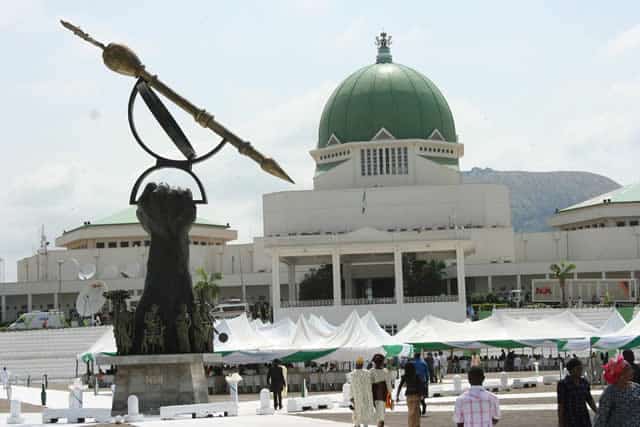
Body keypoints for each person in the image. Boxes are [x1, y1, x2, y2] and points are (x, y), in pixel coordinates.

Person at [594, 355, 640, 426]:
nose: (632, 371)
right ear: (620, 373)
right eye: (628, 369)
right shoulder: (610, 392)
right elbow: (602, 415)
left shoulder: (636, 387)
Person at [557, 358, 597, 427]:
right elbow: (561, 405)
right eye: (578, 369)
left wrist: (597, 412)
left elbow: (589, 399)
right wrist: (561, 422)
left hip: (584, 418)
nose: (580, 371)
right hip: (570, 419)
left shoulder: (584, 382)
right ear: (571, 370)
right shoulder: (563, 384)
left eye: (581, 368)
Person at [350, 357, 375, 427]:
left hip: (357, 398)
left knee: (357, 416)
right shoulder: (367, 373)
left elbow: (351, 387)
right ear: (362, 364)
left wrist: (351, 397)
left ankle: (357, 425)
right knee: (365, 415)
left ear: (356, 364)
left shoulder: (352, 374)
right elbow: (370, 386)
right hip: (366, 397)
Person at [396, 361, 422, 427]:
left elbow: (400, 386)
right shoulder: (417, 375)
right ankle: (416, 425)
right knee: (416, 412)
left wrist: (397, 396)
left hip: (409, 396)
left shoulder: (405, 376)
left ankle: (411, 425)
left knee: (411, 412)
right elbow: (421, 386)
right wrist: (422, 395)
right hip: (416, 395)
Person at [370, 353, 393, 427]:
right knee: (381, 415)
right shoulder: (385, 371)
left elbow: (369, 384)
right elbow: (388, 385)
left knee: (379, 414)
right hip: (382, 395)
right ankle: (380, 424)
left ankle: (379, 424)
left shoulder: (371, 371)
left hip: (374, 395)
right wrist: (390, 394)